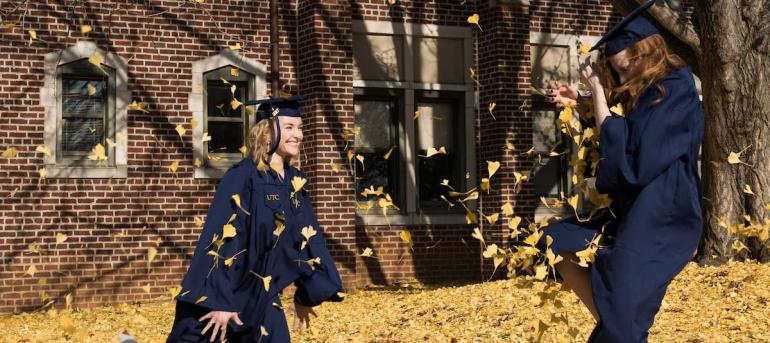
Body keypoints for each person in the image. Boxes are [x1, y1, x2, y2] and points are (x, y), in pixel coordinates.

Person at [539, 0, 705, 341]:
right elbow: (630, 132)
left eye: (623, 69)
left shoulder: (677, 88)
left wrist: (598, 92)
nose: (620, 78)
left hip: (663, 216)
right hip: (637, 210)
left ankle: (617, 330)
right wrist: (584, 102)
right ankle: (616, 330)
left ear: (644, 54)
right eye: (615, 72)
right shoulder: (650, 93)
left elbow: (635, 157)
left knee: (625, 306)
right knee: (556, 240)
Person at [167, 96, 345, 342]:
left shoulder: (295, 182)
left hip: (262, 296)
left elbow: (309, 240)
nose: (298, 135)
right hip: (224, 297)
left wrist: (308, 292)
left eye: (300, 127)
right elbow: (221, 236)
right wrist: (218, 300)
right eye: (290, 127)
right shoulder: (243, 177)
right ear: (267, 130)